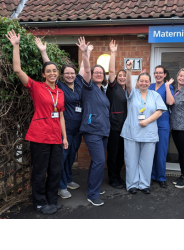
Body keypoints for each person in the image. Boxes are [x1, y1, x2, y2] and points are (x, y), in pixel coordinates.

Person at [6, 30, 68, 215]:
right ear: (43, 75)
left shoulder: (60, 92)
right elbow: (17, 69)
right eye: (48, 71)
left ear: (57, 74)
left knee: (55, 171)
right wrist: (15, 46)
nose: (52, 73)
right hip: (40, 136)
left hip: (56, 137)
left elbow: (62, 116)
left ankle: (51, 200)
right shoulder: (36, 87)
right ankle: (40, 203)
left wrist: (65, 138)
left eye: (54, 71)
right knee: (40, 172)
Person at [35, 38, 91, 199]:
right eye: (66, 73)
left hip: (77, 129)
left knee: (71, 157)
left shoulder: (79, 83)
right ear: (62, 75)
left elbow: (85, 69)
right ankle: (60, 186)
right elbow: (49, 68)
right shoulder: (59, 86)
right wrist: (43, 52)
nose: (70, 75)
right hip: (64, 130)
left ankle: (68, 179)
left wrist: (85, 52)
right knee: (62, 158)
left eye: (72, 73)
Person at [121, 60, 167, 194]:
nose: (144, 83)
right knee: (131, 160)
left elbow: (160, 111)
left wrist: (147, 121)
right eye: (141, 81)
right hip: (132, 132)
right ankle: (132, 185)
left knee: (146, 161)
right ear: (138, 82)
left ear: (150, 83)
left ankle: (144, 184)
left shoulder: (155, 95)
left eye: (147, 81)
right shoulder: (132, 93)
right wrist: (128, 70)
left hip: (149, 132)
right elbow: (128, 84)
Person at [75, 37, 110, 206]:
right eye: (96, 72)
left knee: (98, 161)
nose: (98, 74)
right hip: (92, 130)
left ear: (104, 76)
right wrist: (85, 53)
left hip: (103, 131)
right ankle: (93, 194)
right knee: (99, 161)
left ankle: (93, 186)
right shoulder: (88, 87)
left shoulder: (102, 90)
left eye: (101, 73)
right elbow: (86, 71)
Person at [149, 66, 174, 188]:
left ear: (165, 75)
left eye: (161, 73)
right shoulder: (150, 86)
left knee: (161, 151)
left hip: (162, 123)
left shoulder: (168, 87)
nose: (158, 75)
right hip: (150, 122)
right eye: (156, 73)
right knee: (150, 151)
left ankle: (161, 177)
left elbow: (170, 102)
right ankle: (152, 175)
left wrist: (168, 87)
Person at [106, 40, 127, 189]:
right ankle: (112, 178)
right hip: (114, 126)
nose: (121, 77)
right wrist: (113, 53)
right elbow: (111, 72)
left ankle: (118, 176)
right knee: (113, 154)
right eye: (120, 75)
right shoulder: (113, 88)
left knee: (121, 154)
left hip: (126, 127)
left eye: (124, 76)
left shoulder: (129, 90)